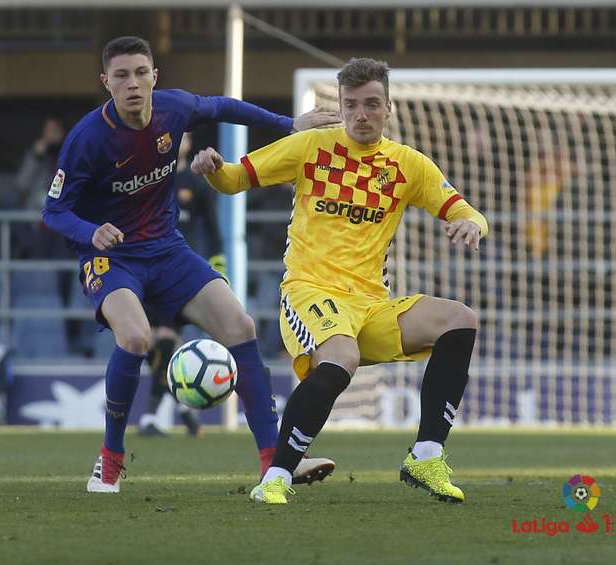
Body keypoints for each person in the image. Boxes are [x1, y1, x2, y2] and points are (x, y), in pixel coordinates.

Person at [42, 36, 339, 493]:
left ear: (154, 77)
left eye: (141, 73)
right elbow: (54, 211)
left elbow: (220, 106)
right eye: (121, 76)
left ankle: (274, 463)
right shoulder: (88, 138)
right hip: (111, 256)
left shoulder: (174, 108)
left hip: (166, 249)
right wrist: (91, 232)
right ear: (107, 83)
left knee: (240, 326)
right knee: (137, 337)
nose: (133, 84)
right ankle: (111, 457)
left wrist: (289, 123)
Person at [192, 57, 489, 505]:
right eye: (352, 105)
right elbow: (234, 180)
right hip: (310, 290)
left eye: (372, 104)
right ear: (342, 106)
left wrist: (471, 224)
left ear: (388, 107)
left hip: (370, 303)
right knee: (341, 357)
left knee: (459, 319)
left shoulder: (408, 165)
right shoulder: (310, 146)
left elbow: (465, 209)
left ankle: (426, 456)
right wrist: (213, 167)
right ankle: (276, 476)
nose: (361, 114)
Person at [138, 134, 220, 438]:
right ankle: (183, 406)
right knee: (154, 344)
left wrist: (217, 267)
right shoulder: (148, 177)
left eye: (184, 134)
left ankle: (150, 417)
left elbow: (212, 228)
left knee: (165, 338)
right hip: (146, 267)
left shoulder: (196, 181)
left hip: (180, 270)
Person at [15, 117, 66, 210]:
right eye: (49, 130)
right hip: (36, 215)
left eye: (55, 130)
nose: (52, 134)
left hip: (62, 211)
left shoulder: (69, 155)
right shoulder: (35, 155)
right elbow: (22, 185)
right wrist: (36, 157)